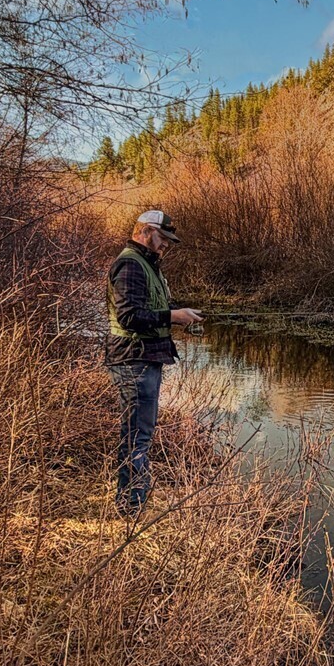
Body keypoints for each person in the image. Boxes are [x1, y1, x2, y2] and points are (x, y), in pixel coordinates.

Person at [104, 210, 201, 516]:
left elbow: (150, 307)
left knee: (139, 433)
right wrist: (173, 316)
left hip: (143, 358)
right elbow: (129, 316)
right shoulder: (131, 265)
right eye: (163, 237)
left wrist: (180, 314)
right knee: (137, 436)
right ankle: (130, 508)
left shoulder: (146, 264)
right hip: (134, 360)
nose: (167, 244)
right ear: (146, 231)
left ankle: (134, 501)